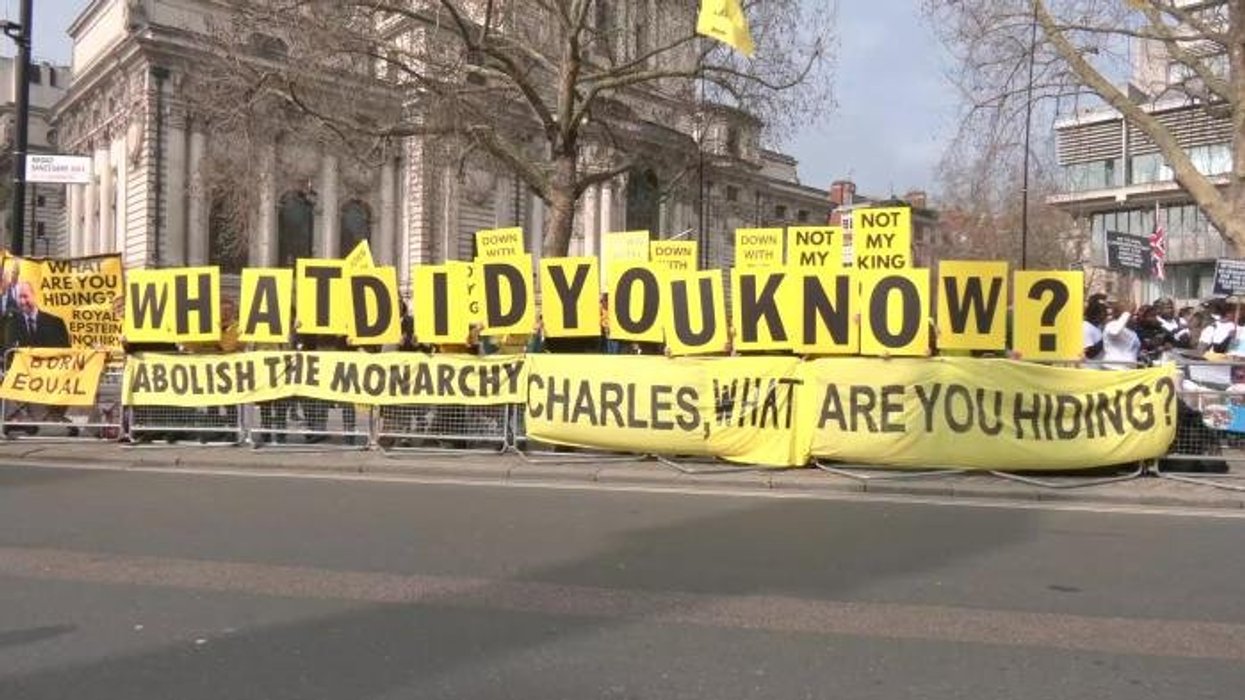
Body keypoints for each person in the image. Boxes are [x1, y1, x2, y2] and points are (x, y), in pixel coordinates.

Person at [1101, 301, 1141, 368]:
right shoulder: (1111, 325)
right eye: (1132, 315)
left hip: (1128, 370)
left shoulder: (1131, 331)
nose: (1134, 318)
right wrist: (1127, 313)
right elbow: (1115, 331)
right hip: (1113, 368)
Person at [1082, 296, 1108, 361]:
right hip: (1089, 368)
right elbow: (1089, 353)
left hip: (1099, 367)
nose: (1105, 317)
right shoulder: (1086, 327)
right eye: (1102, 314)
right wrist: (1106, 339)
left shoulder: (1098, 327)